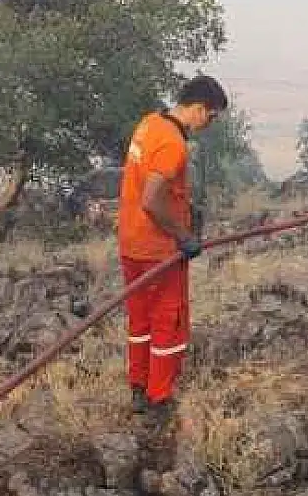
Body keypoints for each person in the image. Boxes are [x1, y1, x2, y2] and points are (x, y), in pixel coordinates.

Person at [117, 75, 228, 428]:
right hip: (159, 251)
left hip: (131, 244)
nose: (208, 125)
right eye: (210, 117)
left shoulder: (148, 124)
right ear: (198, 108)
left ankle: (138, 387)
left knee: (141, 321)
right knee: (169, 323)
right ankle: (158, 397)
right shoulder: (173, 145)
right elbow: (152, 199)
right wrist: (183, 236)